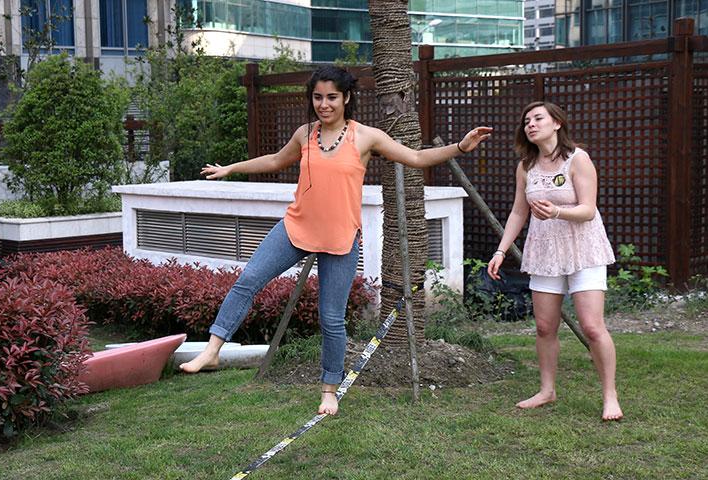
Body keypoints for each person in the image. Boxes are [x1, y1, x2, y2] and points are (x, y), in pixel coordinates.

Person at [179, 65, 492, 415]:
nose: (323, 104)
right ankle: (211, 351)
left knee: (331, 318)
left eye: (331, 97)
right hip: (296, 226)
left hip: (340, 236)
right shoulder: (305, 134)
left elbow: (417, 158)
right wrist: (232, 168)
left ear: (346, 98)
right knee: (248, 280)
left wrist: (461, 147)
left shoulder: (365, 137)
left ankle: (329, 389)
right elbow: (275, 160)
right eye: (317, 97)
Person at [487, 101, 623, 421]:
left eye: (538, 118)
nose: (530, 124)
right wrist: (500, 251)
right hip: (544, 251)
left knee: (592, 326)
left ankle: (610, 395)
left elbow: (588, 209)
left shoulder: (578, 159)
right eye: (526, 121)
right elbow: (519, 212)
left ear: (557, 123)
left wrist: (557, 212)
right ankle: (547, 391)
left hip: (584, 249)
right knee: (545, 326)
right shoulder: (526, 166)